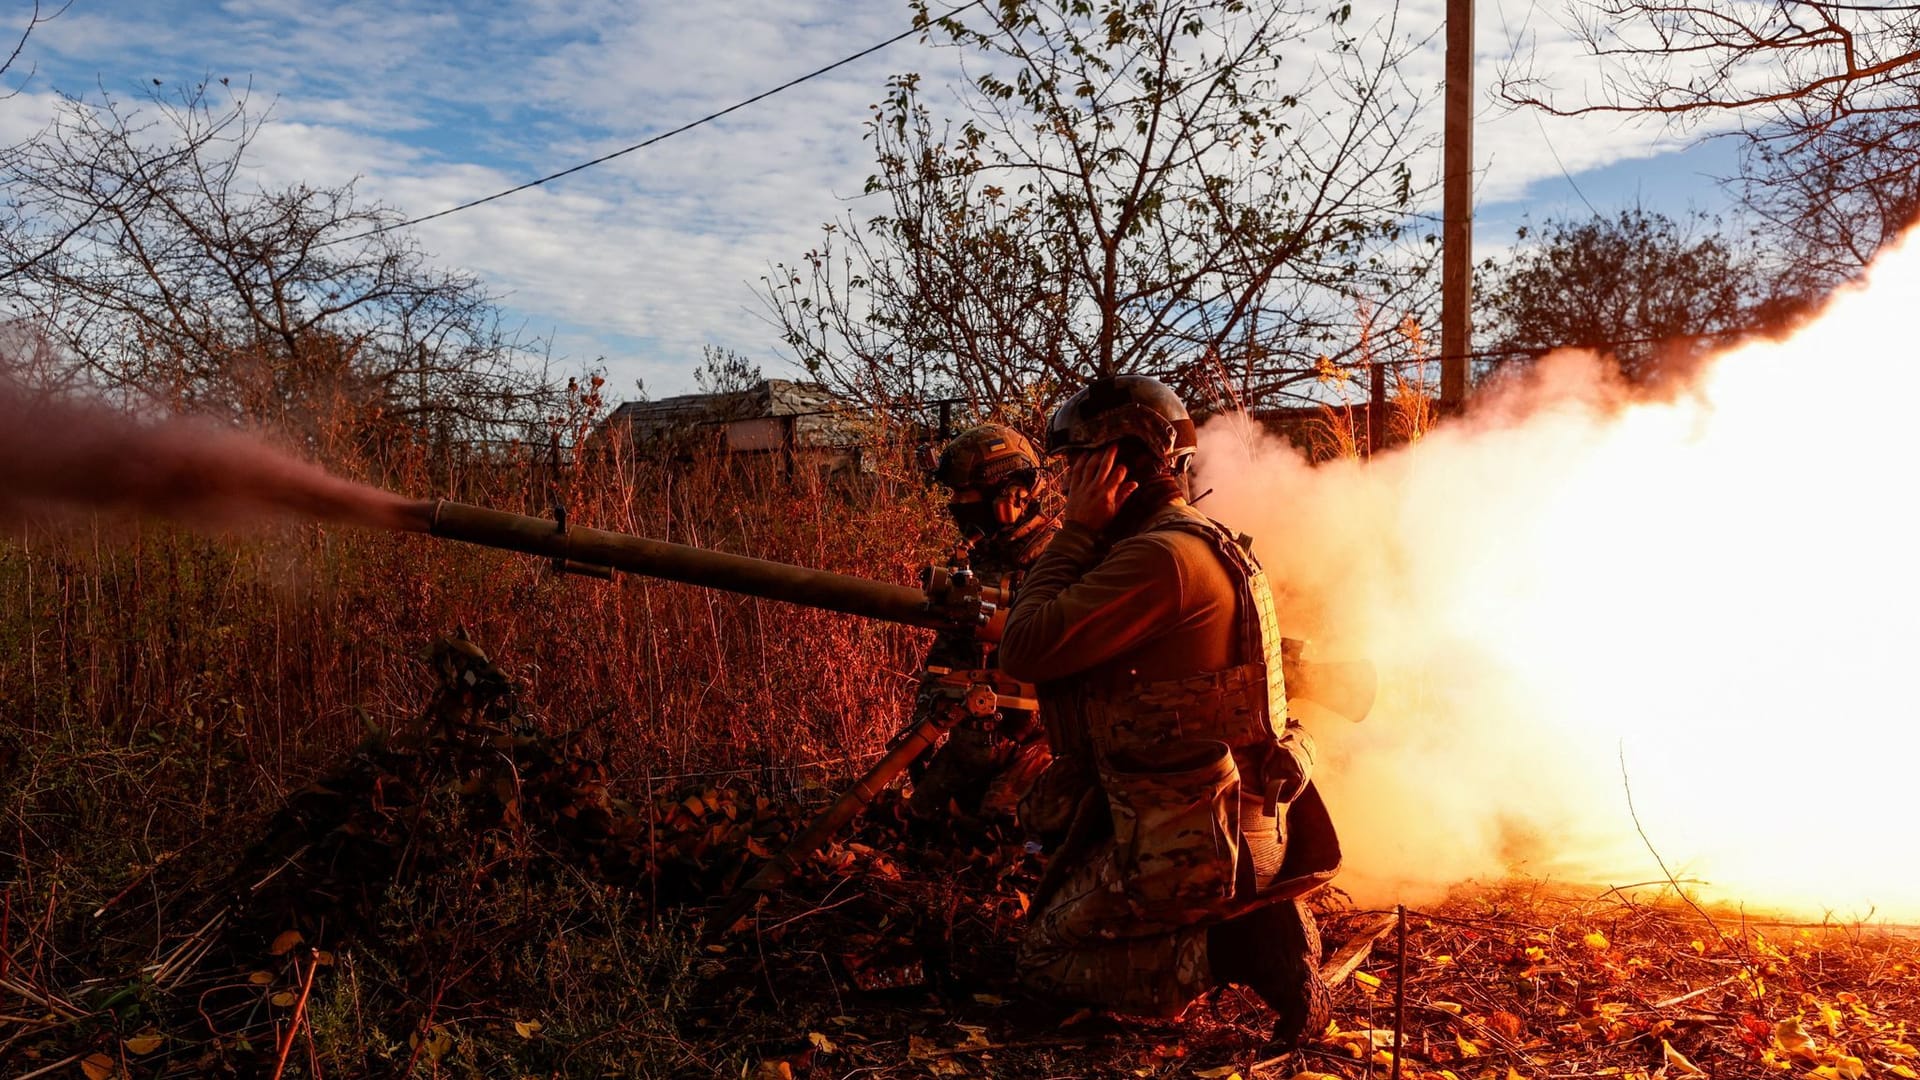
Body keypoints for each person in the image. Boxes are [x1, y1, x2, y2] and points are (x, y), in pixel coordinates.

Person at [996, 375, 1341, 1045]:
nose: (1065, 485)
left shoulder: (1158, 560)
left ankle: (1244, 948)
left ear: (1111, 466)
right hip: (1228, 825)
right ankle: (1242, 922)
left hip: (1196, 845)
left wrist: (1075, 533)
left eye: (1074, 468)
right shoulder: (1195, 540)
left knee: (1041, 958)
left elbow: (1025, 647)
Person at [906, 423, 1060, 821]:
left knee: (1000, 821)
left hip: (1041, 742)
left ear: (1010, 497)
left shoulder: (1058, 562)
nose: (956, 504)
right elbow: (948, 654)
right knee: (922, 812)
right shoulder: (981, 558)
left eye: (964, 494)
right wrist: (926, 712)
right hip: (976, 740)